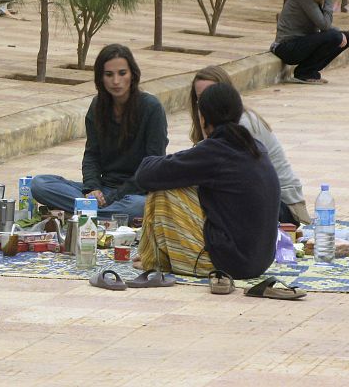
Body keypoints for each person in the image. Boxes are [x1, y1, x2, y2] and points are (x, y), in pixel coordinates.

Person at [135, 83, 280, 279]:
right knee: (185, 186)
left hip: (231, 263)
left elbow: (146, 175)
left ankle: (151, 261)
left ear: (202, 119)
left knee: (162, 193)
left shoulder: (216, 151)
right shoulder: (255, 146)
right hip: (258, 262)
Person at [30, 44, 168, 219]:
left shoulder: (152, 107)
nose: (116, 81)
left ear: (132, 75)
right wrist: (92, 189)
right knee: (39, 184)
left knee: (139, 206)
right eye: (109, 75)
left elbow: (153, 166)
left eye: (122, 73)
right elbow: (92, 155)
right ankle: (97, 212)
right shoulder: (98, 106)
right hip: (103, 189)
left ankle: (85, 212)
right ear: (100, 78)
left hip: (136, 192)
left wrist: (112, 197)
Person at [190, 65, 312, 226]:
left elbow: (205, 166)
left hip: (284, 209)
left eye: (213, 92)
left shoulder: (242, 125)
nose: (209, 100)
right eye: (201, 97)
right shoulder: (214, 123)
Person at [271, 0, 349, 84]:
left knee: (347, 37)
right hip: (286, 47)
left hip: (302, 43)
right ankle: (304, 72)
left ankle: (307, 71)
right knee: (336, 36)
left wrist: (339, 33)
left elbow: (326, 24)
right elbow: (324, 25)